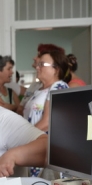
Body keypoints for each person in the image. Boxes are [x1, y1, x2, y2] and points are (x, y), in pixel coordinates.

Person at [23, 49, 70, 178]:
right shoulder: (37, 88)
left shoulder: (59, 86)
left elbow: (47, 122)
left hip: (43, 145)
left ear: (56, 69)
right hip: (32, 142)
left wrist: (23, 137)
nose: (37, 67)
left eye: (42, 64)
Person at [17, 44, 65, 116]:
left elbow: (47, 121)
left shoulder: (59, 86)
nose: (34, 58)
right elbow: (21, 110)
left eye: (39, 55)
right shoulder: (36, 86)